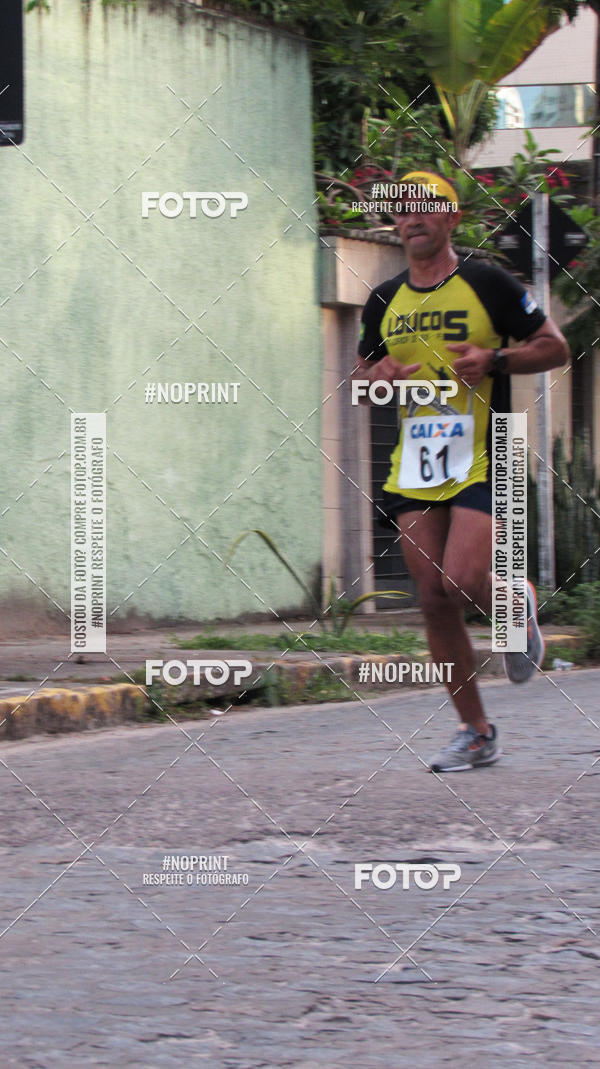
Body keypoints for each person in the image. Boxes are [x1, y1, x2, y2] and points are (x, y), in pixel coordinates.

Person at [352, 171, 569, 772]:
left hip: (485, 451)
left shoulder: (488, 283)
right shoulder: (383, 300)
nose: (412, 217)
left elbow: (555, 347)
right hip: (417, 461)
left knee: (461, 579)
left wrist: (495, 358)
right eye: (402, 209)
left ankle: (514, 602)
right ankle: (475, 731)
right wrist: (376, 378)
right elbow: (360, 381)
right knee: (432, 598)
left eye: (426, 207)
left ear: (452, 218)